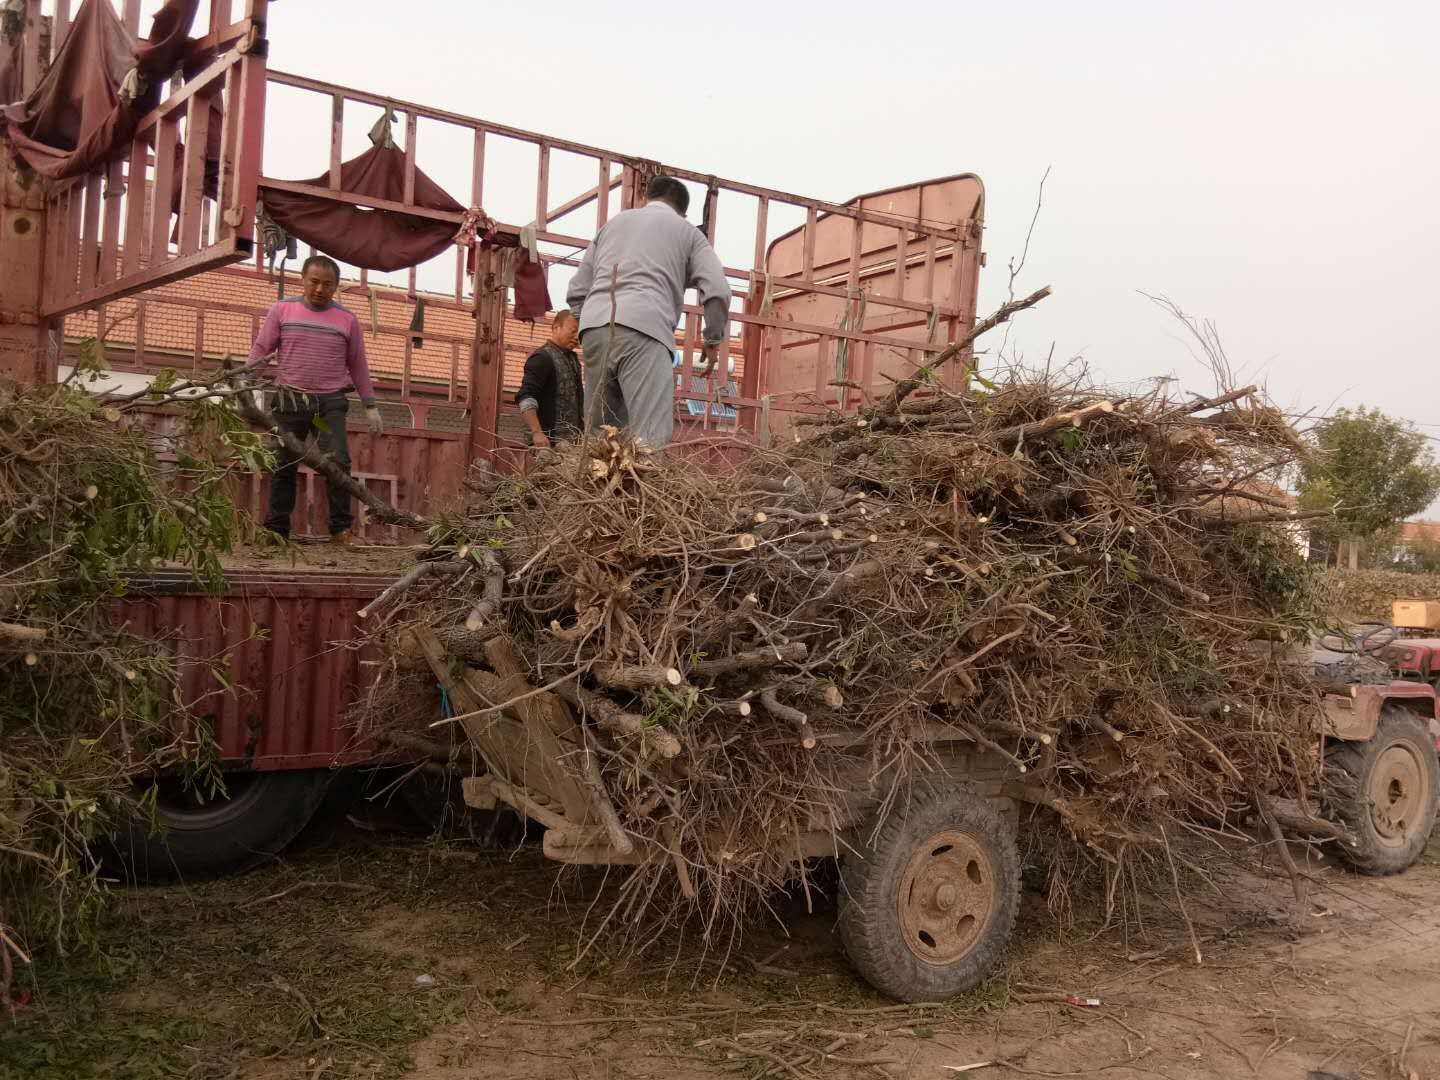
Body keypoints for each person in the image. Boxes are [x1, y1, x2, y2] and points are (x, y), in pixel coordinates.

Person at [566, 175, 731, 448]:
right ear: (683, 211)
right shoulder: (688, 232)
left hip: (595, 328)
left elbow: (579, 287)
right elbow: (718, 290)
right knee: (648, 436)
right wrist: (712, 340)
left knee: (602, 437)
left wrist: (584, 321)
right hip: (645, 330)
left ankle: (592, 489)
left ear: (646, 198)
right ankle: (644, 487)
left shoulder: (613, 224)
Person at [245, 254, 383, 545]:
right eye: (314, 282)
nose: (320, 289)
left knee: (338, 464)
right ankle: (276, 530)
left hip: (329, 401)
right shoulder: (282, 310)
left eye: (327, 284)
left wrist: (370, 406)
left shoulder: (347, 319)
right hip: (288, 400)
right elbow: (261, 349)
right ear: (303, 280)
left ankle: (341, 530)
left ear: (336, 287)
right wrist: (245, 385)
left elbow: (358, 364)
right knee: (283, 463)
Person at [515, 309, 584, 448]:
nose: (577, 337)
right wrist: (537, 433)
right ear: (556, 328)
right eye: (573, 330)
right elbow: (525, 396)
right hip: (547, 443)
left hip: (572, 444)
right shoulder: (542, 358)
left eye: (579, 332)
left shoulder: (573, 359)